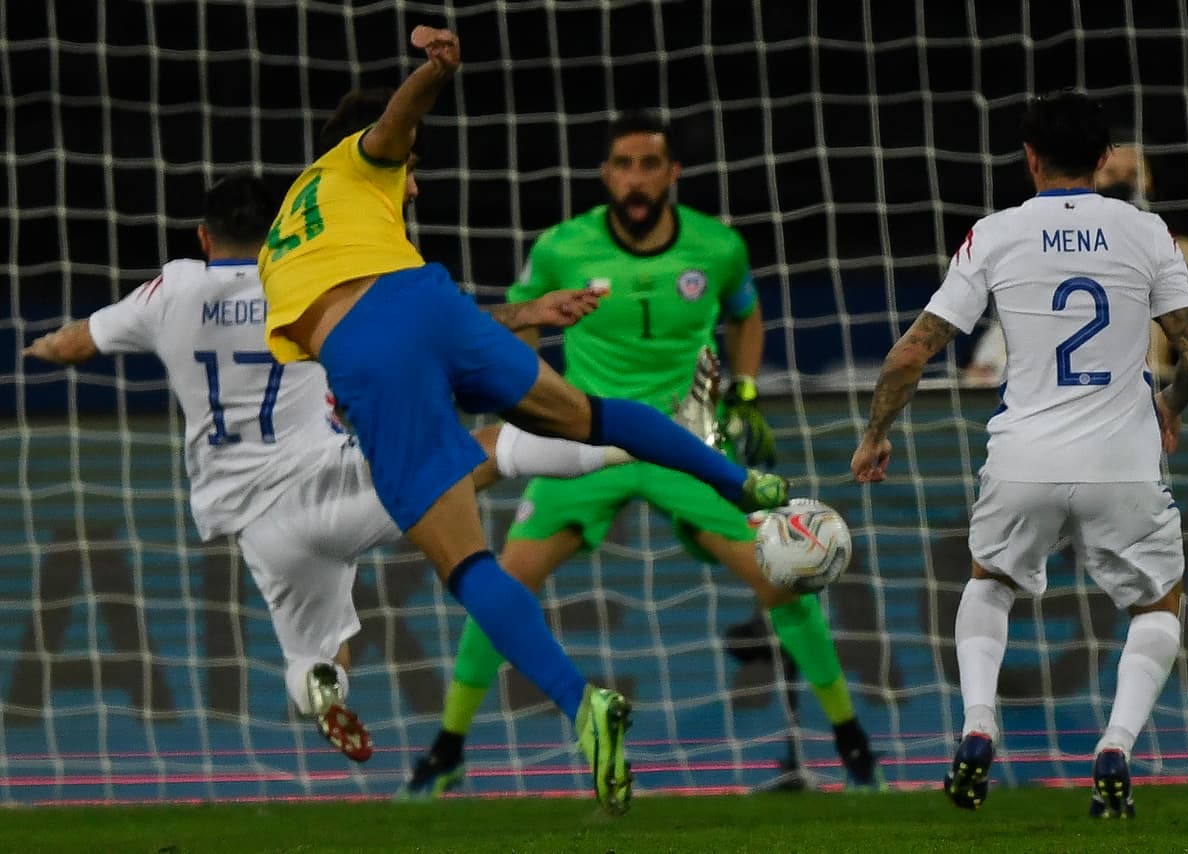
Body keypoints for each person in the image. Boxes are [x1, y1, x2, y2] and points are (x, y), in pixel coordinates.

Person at [255, 26, 788, 814]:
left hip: (374, 341)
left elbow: (364, 320)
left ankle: (583, 707)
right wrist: (430, 73)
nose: (413, 185)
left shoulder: (290, 232)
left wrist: (433, 71)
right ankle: (745, 485)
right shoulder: (358, 164)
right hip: (428, 302)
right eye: (412, 174)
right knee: (592, 416)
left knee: (468, 564)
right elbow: (394, 133)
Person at [21, 173, 635, 766]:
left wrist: (38, 347)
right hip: (332, 482)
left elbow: (76, 342)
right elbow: (432, 333)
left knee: (313, 656)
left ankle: (323, 685)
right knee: (489, 449)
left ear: (204, 238)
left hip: (255, 526)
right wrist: (525, 315)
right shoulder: (306, 285)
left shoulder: (172, 291)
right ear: (278, 234)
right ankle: (632, 444)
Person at [397, 110, 885, 801]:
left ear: (672, 173)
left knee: (783, 578)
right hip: (585, 439)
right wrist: (526, 409)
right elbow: (513, 328)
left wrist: (742, 388)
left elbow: (746, 315)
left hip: (685, 444)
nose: (635, 179)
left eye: (649, 165)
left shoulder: (717, 249)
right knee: (502, 580)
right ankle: (446, 749)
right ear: (605, 173)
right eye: (623, 165)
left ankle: (851, 743)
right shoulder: (564, 248)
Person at [849, 90, 1188, 818]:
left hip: (1023, 459)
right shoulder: (1147, 234)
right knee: (1159, 604)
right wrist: (1168, 410)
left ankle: (978, 723)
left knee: (989, 582)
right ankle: (1114, 746)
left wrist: (874, 435)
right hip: (1122, 462)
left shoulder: (994, 234)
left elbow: (908, 354)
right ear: (1106, 158)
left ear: (1029, 157)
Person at [963, 135, 1188, 386]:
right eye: (1111, 173)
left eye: (1133, 174)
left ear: (1150, 181)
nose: (1122, 183)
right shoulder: (1041, 239)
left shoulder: (1170, 246)